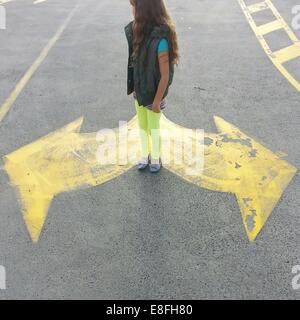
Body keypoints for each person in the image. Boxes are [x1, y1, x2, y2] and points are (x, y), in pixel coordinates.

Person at [124, 0, 179, 173]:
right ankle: (144, 153)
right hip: (140, 93)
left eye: (134, 6)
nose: (132, 10)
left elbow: (165, 75)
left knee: (153, 128)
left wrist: (156, 101)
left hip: (154, 95)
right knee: (142, 126)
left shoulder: (161, 39)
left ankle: (155, 156)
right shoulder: (137, 32)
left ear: (144, 10)